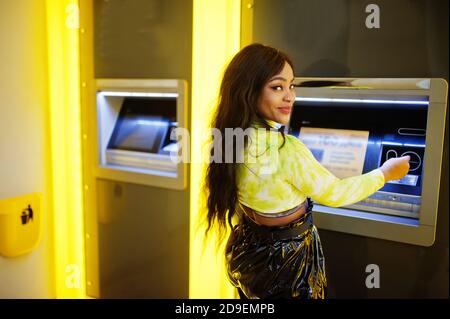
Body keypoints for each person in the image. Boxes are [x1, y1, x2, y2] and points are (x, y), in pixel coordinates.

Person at [204, 43, 410, 299]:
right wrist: (385, 173)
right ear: (249, 90)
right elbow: (335, 194)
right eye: (277, 87)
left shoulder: (228, 138)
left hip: (247, 251)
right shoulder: (287, 150)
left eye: (291, 85)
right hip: (289, 262)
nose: (290, 96)